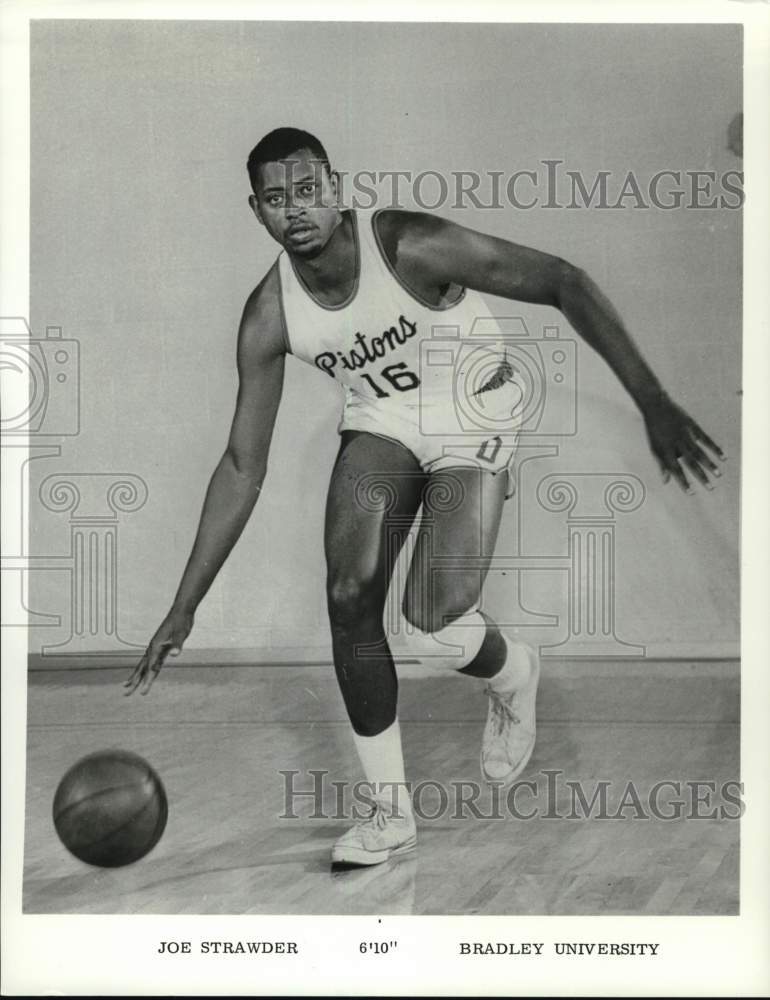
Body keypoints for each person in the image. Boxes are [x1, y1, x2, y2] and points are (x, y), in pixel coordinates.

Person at [125, 127, 725, 867]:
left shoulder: (407, 246)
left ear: (337, 189)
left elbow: (564, 281)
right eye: (276, 200)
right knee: (348, 593)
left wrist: (652, 400)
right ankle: (388, 814)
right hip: (383, 420)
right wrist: (184, 606)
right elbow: (243, 466)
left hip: (475, 403)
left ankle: (512, 673)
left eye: (307, 190)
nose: (296, 210)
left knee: (433, 632)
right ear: (257, 212)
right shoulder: (269, 314)